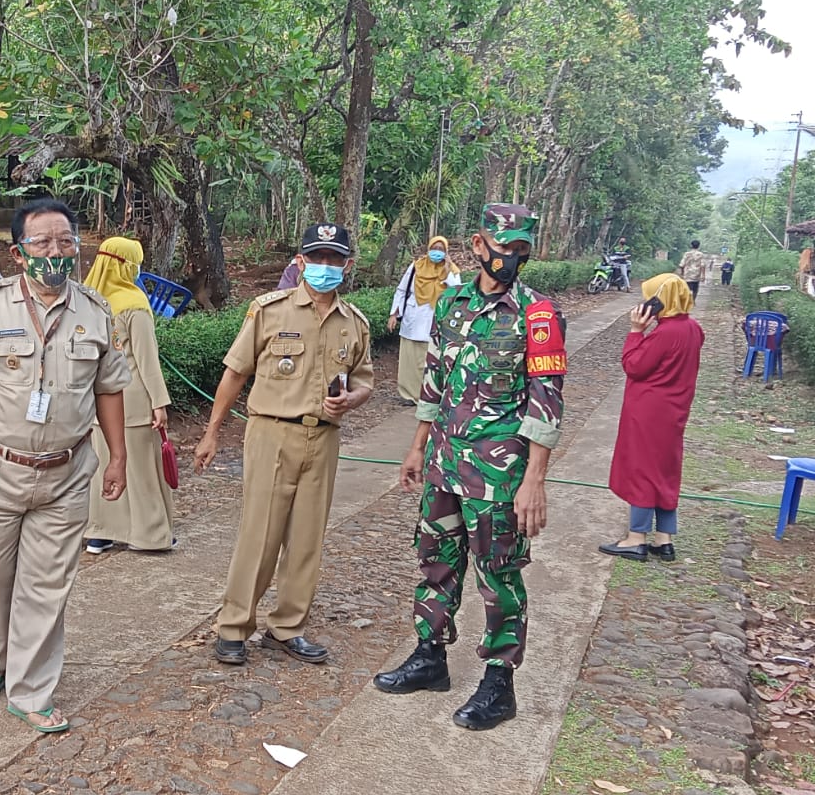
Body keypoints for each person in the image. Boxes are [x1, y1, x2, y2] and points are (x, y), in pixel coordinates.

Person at [0, 199, 130, 735]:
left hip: (66, 471)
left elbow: (108, 390)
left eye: (65, 241)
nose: (55, 252)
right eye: (42, 243)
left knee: (47, 583)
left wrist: (118, 457)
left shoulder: (95, 310)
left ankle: (31, 689)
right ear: (19, 254)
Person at [373, 203, 565, 731]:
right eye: (505, 249)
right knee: (436, 558)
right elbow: (434, 381)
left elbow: (546, 399)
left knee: (499, 573)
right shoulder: (451, 303)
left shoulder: (538, 314)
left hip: (499, 471)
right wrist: (417, 446)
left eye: (522, 251)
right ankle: (429, 656)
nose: (512, 260)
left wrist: (535, 481)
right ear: (479, 245)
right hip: (444, 461)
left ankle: (500, 684)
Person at [194, 223, 374, 666]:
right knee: (260, 533)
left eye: (334, 260)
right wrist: (212, 431)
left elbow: (365, 381)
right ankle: (234, 626)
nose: (325, 267)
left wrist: (349, 400)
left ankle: (287, 627)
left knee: (307, 538)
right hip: (272, 432)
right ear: (300, 262)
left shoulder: (355, 323)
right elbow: (235, 373)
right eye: (317, 258)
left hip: (324, 437)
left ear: (348, 265)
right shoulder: (269, 310)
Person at [599, 275, 704, 563]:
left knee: (642, 469)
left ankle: (636, 537)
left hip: (649, 411)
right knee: (666, 469)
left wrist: (635, 331)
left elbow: (634, 366)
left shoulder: (665, 333)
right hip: (675, 411)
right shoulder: (693, 329)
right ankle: (664, 538)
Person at [82, 236, 175, 554]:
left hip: (97, 400)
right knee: (140, 468)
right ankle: (149, 533)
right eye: (136, 263)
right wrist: (159, 402)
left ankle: (101, 532)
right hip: (133, 399)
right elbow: (147, 362)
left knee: (103, 465)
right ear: (126, 265)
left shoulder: (86, 302)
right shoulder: (134, 305)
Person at [389, 237, 462, 403]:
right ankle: (408, 394)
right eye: (434, 248)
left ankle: (428, 396)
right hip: (413, 318)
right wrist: (394, 314)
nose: (437, 252)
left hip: (435, 320)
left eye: (441, 249)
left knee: (431, 360)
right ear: (428, 249)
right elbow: (401, 290)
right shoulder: (416, 267)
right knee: (409, 360)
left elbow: (457, 291)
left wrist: (447, 269)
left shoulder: (451, 270)